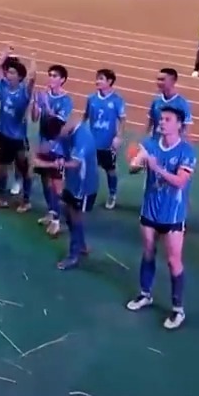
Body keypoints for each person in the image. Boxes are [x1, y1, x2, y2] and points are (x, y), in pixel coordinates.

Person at [125, 106, 197, 330]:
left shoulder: (187, 151)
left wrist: (157, 168)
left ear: (179, 124)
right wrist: (136, 164)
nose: (162, 122)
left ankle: (178, 309)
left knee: (173, 261)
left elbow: (180, 182)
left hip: (172, 215)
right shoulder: (150, 144)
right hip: (149, 211)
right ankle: (145, 294)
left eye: (167, 119)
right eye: (161, 119)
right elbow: (134, 166)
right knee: (148, 252)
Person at [0, 51, 33, 210]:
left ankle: (26, 200)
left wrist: (33, 59)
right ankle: (3, 198)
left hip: (18, 138)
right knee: (0, 169)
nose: (8, 74)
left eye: (12, 73)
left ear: (20, 77)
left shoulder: (24, 92)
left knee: (24, 170)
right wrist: (4, 55)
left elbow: (32, 79)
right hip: (3, 135)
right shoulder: (3, 86)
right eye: (8, 72)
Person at [31, 64, 74, 235]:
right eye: (50, 74)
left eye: (55, 75)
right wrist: (36, 104)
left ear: (62, 80)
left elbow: (57, 123)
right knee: (44, 179)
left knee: (56, 184)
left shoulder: (66, 100)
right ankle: (51, 211)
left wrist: (46, 104)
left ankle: (59, 219)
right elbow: (35, 118)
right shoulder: (43, 95)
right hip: (43, 144)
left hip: (57, 147)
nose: (51, 78)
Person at [57, 117, 99, 269]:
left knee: (75, 217)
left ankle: (73, 255)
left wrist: (54, 164)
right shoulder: (68, 132)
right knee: (66, 211)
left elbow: (75, 163)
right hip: (72, 182)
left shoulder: (82, 137)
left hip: (84, 186)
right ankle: (81, 245)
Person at [85, 68, 127, 209]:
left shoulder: (117, 100)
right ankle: (88, 193)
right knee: (89, 169)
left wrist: (118, 136)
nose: (97, 81)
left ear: (109, 81)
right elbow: (86, 116)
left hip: (107, 143)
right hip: (92, 141)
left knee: (110, 169)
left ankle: (112, 194)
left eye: (101, 79)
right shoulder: (91, 98)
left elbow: (122, 120)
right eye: (97, 78)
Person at [148, 68, 193, 138]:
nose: (159, 82)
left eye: (162, 80)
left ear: (173, 81)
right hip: (156, 141)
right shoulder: (156, 100)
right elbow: (150, 123)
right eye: (158, 79)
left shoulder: (182, 104)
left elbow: (185, 129)